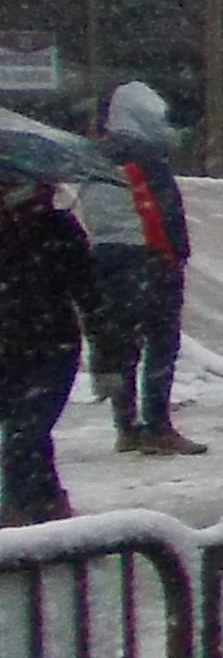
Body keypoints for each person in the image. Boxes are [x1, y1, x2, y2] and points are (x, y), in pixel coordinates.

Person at [86, 81, 204, 456]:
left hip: (106, 256)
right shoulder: (146, 155)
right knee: (161, 341)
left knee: (123, 344)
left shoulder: (95, 154)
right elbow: (160, 211)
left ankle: (126, 426)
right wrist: (173, 255)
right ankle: (158, 425)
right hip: (148, 256)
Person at [0, 176, 99, 525]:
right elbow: (89, 292)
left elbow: (88, 291)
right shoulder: (52, 228)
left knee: (25, 429)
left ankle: (23, 511)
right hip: (29, 343)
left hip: (49, 345)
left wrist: (108, 353)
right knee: (26, 430)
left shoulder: (57, 228)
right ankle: (41, 505)